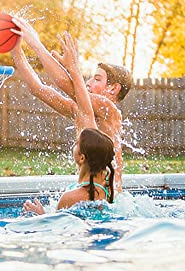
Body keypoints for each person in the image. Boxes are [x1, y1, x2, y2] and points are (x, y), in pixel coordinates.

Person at [11, 17, 133, 192]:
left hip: (105, 197)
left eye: (97, 79)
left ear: (113, 89)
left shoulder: (109, 109)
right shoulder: (79, 111)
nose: (89, 83)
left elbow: (66, 85)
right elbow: (37, 88)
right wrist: (16, 51)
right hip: (91, 194)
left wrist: (35, 43)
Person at [20, 32, 115, 215]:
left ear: (82, 158)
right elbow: (40, 89)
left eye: (77, 143)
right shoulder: (105, 182)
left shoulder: (72, 197)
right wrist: (17, 52)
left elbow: (55, 227)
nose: (74, 142)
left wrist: (42, 216)